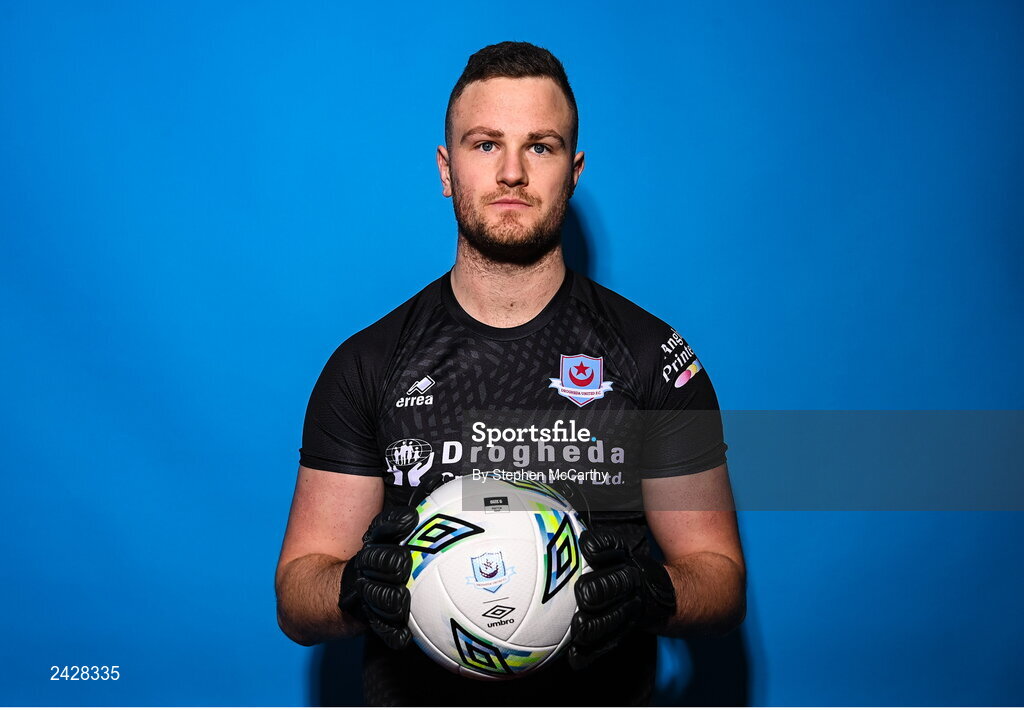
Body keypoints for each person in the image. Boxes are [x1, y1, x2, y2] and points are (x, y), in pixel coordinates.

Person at [275, 41, 745, 706]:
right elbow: (299, 593)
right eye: (485, 144)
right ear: (446, 168)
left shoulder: (652, 356)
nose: (513, 172)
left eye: (541, 146)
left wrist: (649, 591)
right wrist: (354, 587)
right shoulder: (368, 364)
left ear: (573, 170)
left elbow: (719, 579)